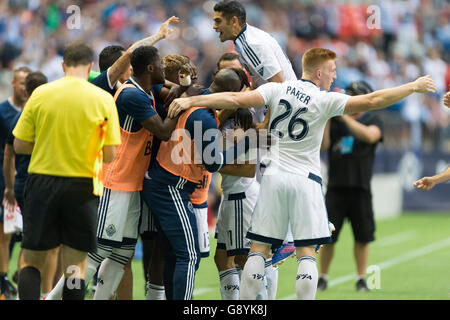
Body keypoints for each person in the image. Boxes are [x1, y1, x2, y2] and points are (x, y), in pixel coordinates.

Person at [167, 48, 436, 300]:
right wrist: (412, 86)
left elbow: (235, 98)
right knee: (306, 253)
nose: (335, 76)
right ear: (318, 72)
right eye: (332, 70)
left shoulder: (277, 89)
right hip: (305, 180)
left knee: (258, 250)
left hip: (272, 179)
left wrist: (191, 99)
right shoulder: (324, 99)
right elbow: (374, 99)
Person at [13, 40, 122, 300]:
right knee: (75, 266)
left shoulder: (41, 94)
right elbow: (110, 154)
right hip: (82, 186)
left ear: (63, 65)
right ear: (90, 67)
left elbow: (19, 145)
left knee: (31, 260)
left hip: (42, 183)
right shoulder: (103, 99)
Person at [142, 68, 251, 300]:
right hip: (171, 186)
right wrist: (247, 145)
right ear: (229, 96)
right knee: (189, 255)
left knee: (172, 254)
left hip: (163, 182)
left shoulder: (193, 102)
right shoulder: (204, 117)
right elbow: (213, 163)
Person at [213, 0, 297, 266]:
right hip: (289, 107)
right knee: (276, 171)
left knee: (275, 173)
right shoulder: (247, 40)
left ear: (234, 21)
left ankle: (291, 238)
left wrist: (266, 124)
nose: (214, 26)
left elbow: (277, 85)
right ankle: (301, 229)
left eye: (218, 21)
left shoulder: (252, 43)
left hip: (287, 110)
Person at [317, 80, 383, 292]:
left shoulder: (372, 118)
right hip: (336, 187)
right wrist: (327, 119)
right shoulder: (335, 122)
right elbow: (324, 146)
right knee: (328, 237)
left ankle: (361, 278)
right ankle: (323, 277)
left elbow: (371, 136)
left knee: (362, 237)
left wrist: (344, 118)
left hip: (361, 188)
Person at [3, 71, 48, 299]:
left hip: (22, 184)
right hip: (40, 184)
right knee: (41, 244)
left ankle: (32, 289)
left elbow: (8, 155)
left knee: (28, 241)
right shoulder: (43, 116)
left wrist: (10, 187)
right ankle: (41, 291)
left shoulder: (19, 117)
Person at [0, 66, 31, 300]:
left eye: (27, 84)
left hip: (31, 181)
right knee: (5, 231)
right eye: (21, 83)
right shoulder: (2, 111)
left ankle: (21, 279)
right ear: (13, 84)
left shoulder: (35, 111)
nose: (25, 87)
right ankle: (3, 280)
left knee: (25, 236)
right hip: (7, 180)